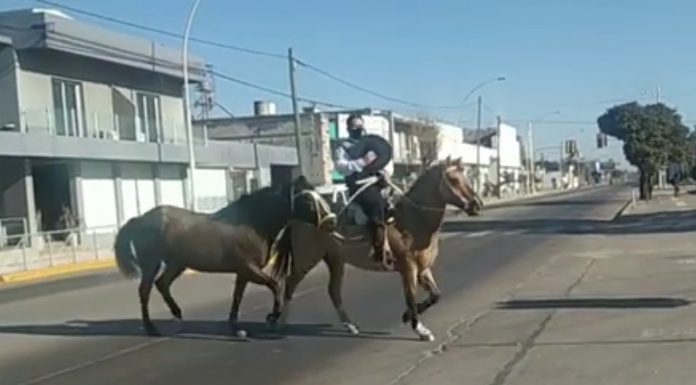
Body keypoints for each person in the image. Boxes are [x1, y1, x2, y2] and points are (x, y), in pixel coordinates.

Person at [334, 114, 393, 264]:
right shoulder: (343, 148)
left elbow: (382, 161)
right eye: (355, 127)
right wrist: (361, 162)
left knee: (397, 200)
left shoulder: (370, 145)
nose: (358, 130)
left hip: (376, 180)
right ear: (348, 129)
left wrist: (383, 171)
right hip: (358, 185)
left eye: (361, 127)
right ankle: (379, 248)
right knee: (376, 203)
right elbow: (341, 167)